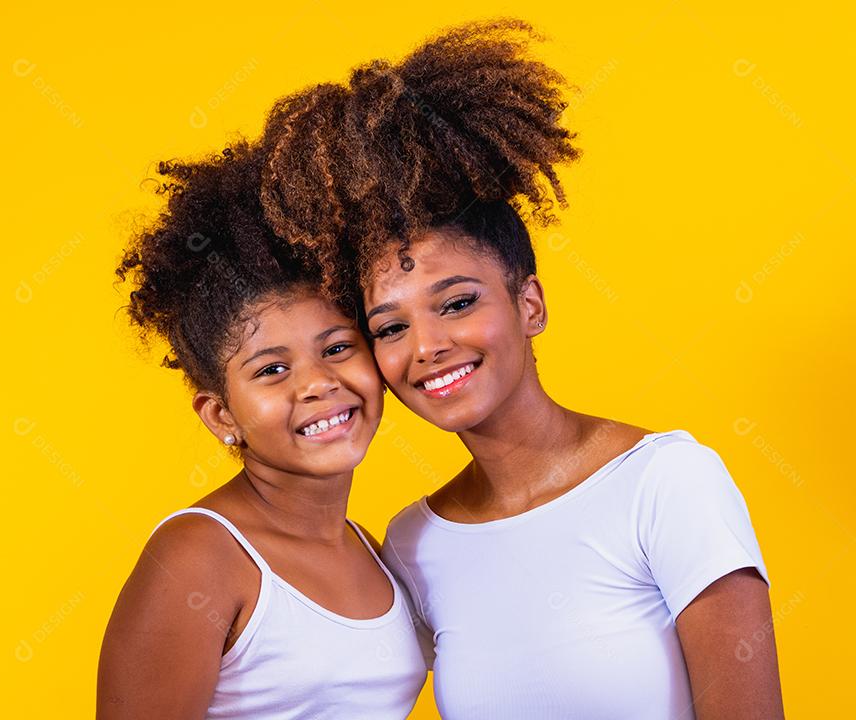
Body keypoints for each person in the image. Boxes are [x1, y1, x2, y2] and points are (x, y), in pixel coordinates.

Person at [256, 19, 784, 720]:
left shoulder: (666, 484)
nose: (427, 345)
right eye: (390, 327)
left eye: (458, 302)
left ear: (529, 303)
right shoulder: (414, 542)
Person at [98, 142, 427, 719]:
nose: (318, 383)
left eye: (337, 348)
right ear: (221, 415)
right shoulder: (199, 556)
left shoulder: (372, 549)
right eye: (272, 370)